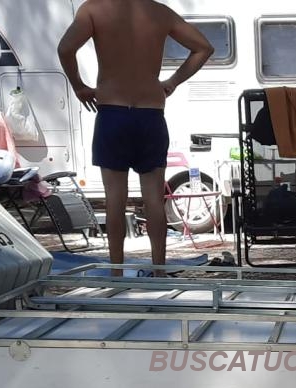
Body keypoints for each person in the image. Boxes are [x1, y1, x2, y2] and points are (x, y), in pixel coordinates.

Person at [57, 0, 213, 273]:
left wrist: (79, 86)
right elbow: (204, 48)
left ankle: (116, 270)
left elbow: (65, 48)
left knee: (115, 199)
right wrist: (172, 81)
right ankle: (159, 270)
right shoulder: (159, 12)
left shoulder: (93, 9)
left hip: (113, 112)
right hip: (150, 113)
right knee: (153, 198)